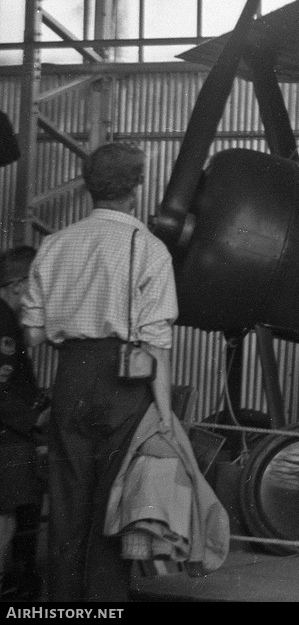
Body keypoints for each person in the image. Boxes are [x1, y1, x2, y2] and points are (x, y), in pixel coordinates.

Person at [21, 143, 178, 603]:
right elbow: (157, 344)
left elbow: (31, 335)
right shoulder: (150, 249)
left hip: (71, 375)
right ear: (137, 184)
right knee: (116, 501)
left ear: (89, 185)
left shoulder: (54, 244)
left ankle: (62, 604)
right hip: (127, 383)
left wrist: (69, 323)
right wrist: (165, 416)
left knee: (66, 499)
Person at [0, 245, 45, 600]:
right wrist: (36, 419)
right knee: (5, 519)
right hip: (8, 439)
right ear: (17, 286)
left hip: (11, 433)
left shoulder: (9, 321)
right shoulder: (4, 323)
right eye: (37, 284)